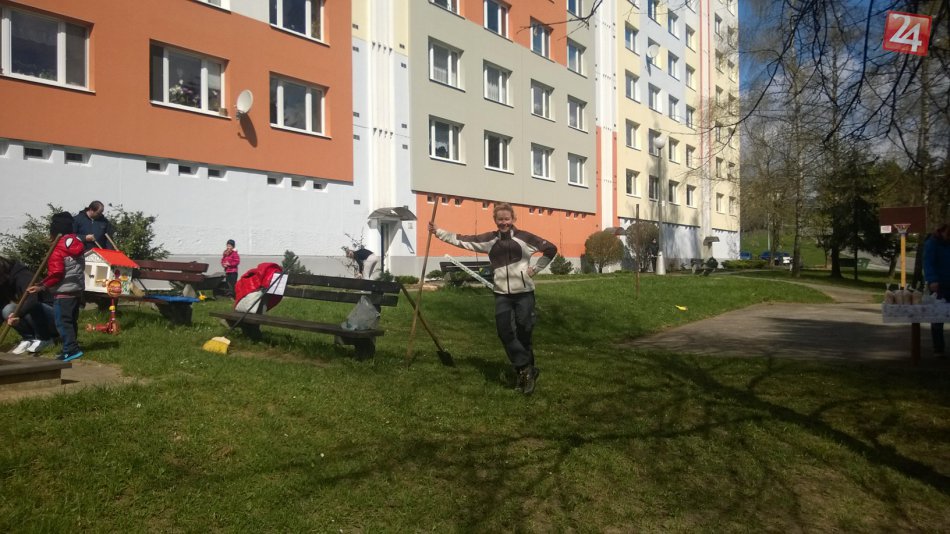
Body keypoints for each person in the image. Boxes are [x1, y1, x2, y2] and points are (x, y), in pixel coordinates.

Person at [429, 202, 557, 395]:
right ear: (495, 220)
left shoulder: (525, 238)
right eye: (500, 220)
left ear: (513, 219)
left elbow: (551, 249)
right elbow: (463, 240)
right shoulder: (489, 240)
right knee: (505, 332)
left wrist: (535, 269)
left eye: (507, 219)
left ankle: (524, 376)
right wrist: (438, 232)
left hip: (524, 293)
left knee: (524, 333)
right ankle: (526, 368)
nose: (503, 223)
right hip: (501, 294)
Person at [27, 212, 86, 362]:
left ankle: (70, 349)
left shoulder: (57, 249)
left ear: (54, 233)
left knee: (63, 322)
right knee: (71, 321)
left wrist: (41, 286)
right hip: (76, 290)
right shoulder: (76, 244)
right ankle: (72, 346)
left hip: (63, 292)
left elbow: (56, 273)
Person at [1, 256, 56, 354]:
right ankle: (29, 339)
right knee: (6, 310)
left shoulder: (23, 275)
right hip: (34, 316)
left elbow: (32, 300)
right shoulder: (4, 282)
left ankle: (45, 338)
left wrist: (17, 314)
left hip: (53, 317)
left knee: (26, 307)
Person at [923, 222, 950, 358]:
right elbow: (928, 263)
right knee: (938, 317)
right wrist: (932, 279)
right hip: (939, 284)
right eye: (948, 234)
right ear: (941, 231)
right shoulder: (932, 243)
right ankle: (938, 348)